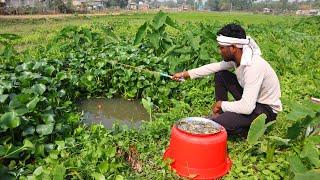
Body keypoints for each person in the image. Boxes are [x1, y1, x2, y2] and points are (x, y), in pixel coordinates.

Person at [172, 23, 282, 137]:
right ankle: (222, 116)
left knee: (215, 125)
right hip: (252, 102)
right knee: (221, 75)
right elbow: (214, 67)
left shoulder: (253, 66)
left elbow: (247, 107)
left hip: (265, 111)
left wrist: (221, 104)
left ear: (233, 47)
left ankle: (242, 128)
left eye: (221, 48)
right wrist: (185, 74)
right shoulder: (239, 57)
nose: (219, 51)